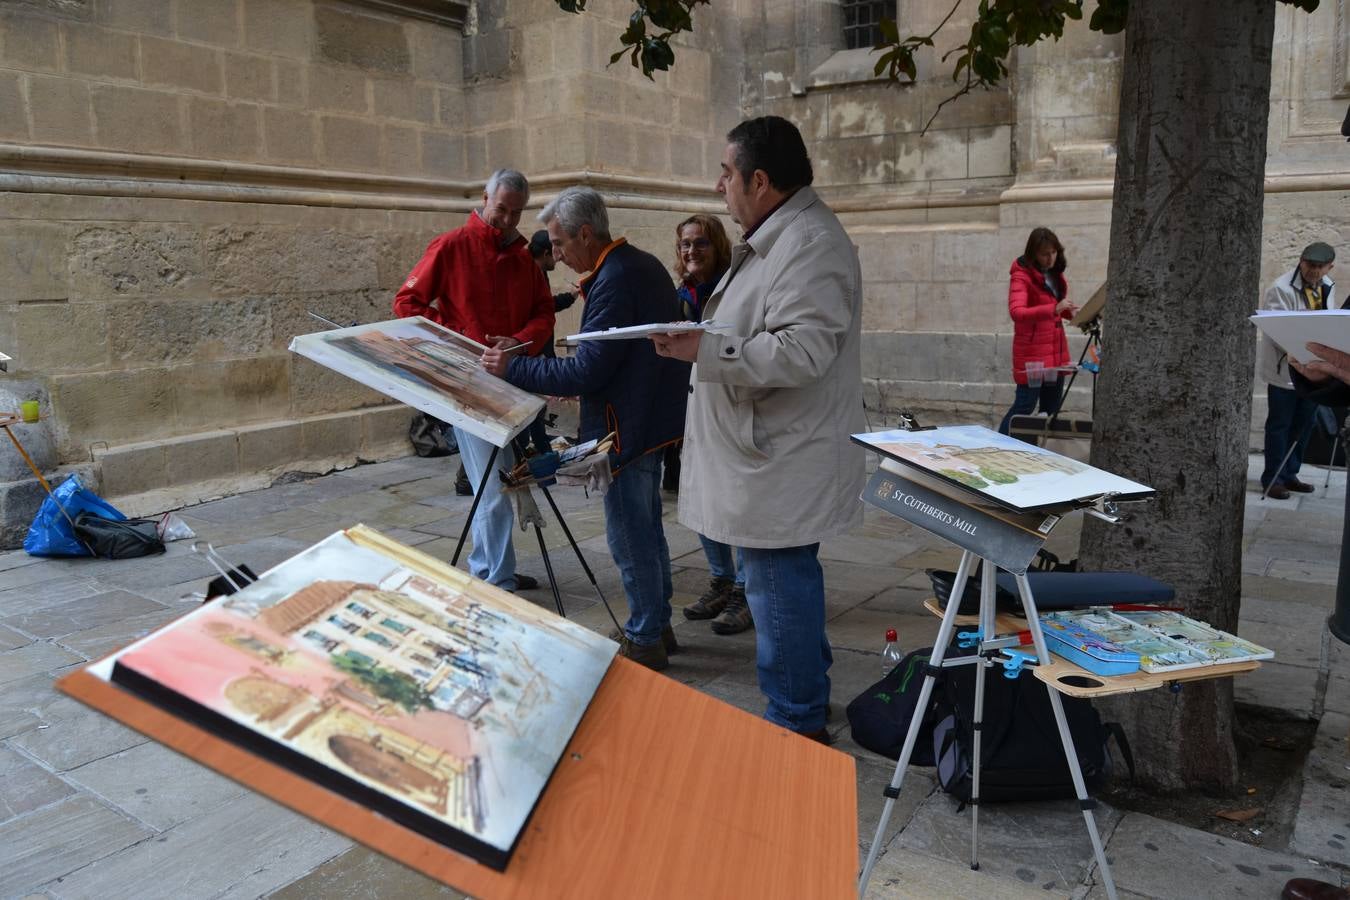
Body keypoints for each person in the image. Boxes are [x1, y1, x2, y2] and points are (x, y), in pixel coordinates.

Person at [652, 116, 865, 743]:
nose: (720, 185)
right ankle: (803, 697)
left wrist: (703, 352)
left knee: (776, 586)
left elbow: (801, 352)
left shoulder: (810, 242)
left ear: (761, 180)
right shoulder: (783, 234)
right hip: (767, 452)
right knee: (777, 584)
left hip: (777, 457)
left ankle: (794, 720)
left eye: (727, 172)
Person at [482, 187, 690, 671]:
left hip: (628, 426)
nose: (554, 254)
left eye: (557, 243)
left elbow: (585, 372)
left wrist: (510, 368)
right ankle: (656, 625)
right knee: (646, 529)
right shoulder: (637, 264)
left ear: (584, 233)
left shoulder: (616, 278)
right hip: (648, 418)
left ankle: (644, 637)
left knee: (629, 535)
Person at [393, 168, 554, 593]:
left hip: (511, 381)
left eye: (517, 214)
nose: (507, 221)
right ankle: (495, 581)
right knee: (493, 482)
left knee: (500, 477)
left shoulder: (523, 259)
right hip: (466, 383)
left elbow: (544, 314)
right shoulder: (450, 246)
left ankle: (488, 565)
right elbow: (406, 303)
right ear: (485, 198)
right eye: (501, 209)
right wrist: (455, 339)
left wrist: (518, 342)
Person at [667, 214, 751, 633]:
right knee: (701, 497)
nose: (691, 251)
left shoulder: (732, 288)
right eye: (684, 244)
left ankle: (746, 590)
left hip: (732, 406)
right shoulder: (684, 292)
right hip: (693, 407)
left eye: (700, 243)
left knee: (738, 501)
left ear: (717, 246)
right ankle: (722, 578)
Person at [1256, 241, 1337, 499]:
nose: (1312, 271)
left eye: (1318, 267)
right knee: (1280, 424)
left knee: (1305, 423)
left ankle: (1290, 473)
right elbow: (1277, 329)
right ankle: (1273, 478)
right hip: (1287, 368)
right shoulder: (1280, 288)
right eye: (1308, 264)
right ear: (1301, 262)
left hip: (1315, 368)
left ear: (1328, 267)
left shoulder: (1328, 286)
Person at [996, 227, 1078, 436]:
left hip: (1055, 353)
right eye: (1044, 254)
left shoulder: (1055, 275)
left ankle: (1043, 452)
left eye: (1053, 252)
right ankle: (1000, 442)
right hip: (1032, 357)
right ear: (1033, 253)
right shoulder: (1021, 276)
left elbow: (1054, 307)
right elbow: (1017, 312)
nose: (1050, 258)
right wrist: (1054, 309)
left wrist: (1071, 313)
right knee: (1024, 406)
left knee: (1051, 410)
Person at [523, 229, 578, 456]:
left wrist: (571, 297)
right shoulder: (526, 275)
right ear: (546, 252)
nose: (558, 257)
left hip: (539, 352)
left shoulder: (538, 273)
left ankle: (542, 451)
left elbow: (546, 307)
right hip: (530, 353)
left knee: (537, 408)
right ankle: (542, 451)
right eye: (555, 251)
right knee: (532, 409)